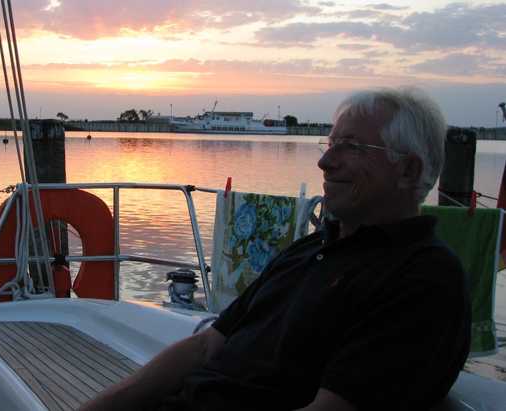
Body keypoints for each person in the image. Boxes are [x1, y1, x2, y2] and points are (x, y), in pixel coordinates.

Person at [80, 87, 471, 411]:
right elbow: (204, 348)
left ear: (408, 170)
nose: (324, 161)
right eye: (330, 142)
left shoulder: (423, 280)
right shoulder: (307, 251)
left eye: (351, 147)